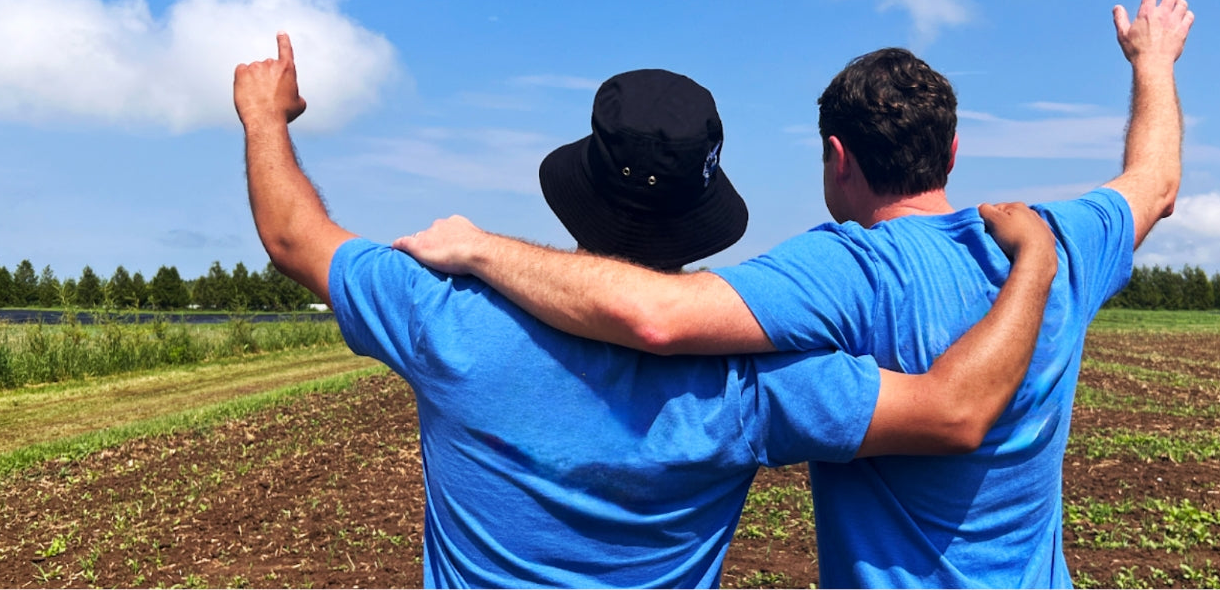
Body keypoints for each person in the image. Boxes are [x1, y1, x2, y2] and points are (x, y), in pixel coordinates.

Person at [392, 0, 1194, 587]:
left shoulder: (841, 270)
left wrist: (483, 249)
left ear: (837, 159)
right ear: (951, 153)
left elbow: (655, 315)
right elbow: (1154, 181)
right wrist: (1152, 60)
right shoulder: (1052, 241)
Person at [236, 41, 1063, 587]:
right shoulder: (752, 383)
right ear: (703, 207)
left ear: (578, 184)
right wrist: (1033, 262)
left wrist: (265, 116)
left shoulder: (442, 315)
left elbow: (292, 234)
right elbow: (953, 408)